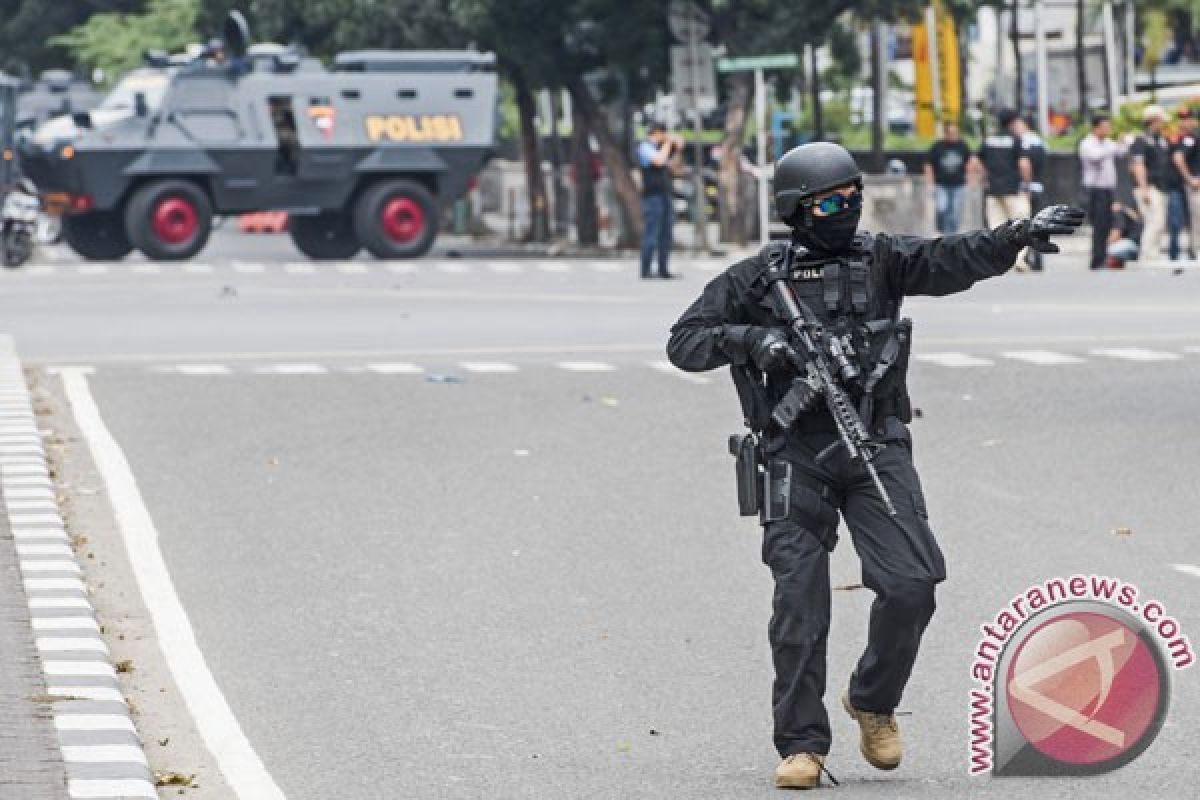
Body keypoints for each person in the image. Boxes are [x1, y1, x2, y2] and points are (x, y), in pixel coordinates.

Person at [666, 141, 1083, 790]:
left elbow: (951, 257)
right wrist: (752, 340)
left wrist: (1015, 235)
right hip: (794, 452)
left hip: (873, 443)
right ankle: (802, 744)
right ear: (795, 211)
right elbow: (684, 342)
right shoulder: (757, 278)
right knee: (799, 600)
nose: (845, 211)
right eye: (829, 202)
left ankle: (873, 700)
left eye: (853, 197)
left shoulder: (883, 259)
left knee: (913, 583)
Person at [979, 110, 1034, 270]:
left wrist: (985, 181)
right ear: (1012, 123)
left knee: (996, 226)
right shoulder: (1016, 140)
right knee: (1021, 225)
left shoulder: (988, 140)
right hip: (1013, 189)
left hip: (993, 190)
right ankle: (1018, 260)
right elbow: (1023, 164)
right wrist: (1027, 184)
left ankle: (997, 260)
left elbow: (979, 163)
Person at [1078, 113, 1124, 269]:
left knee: (1107, 225)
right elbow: (1095, 157)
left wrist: (1122, 143)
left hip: (1108, 189)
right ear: (1096, 128)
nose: (1108, 130)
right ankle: (1097, 259)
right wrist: (1112, 147)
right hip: (1094, 190)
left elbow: (1121, 152)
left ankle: (1103, 257)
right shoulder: (1087, 143)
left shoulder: (1108, 143)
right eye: (1105, 127)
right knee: (1099, 225)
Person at [637, 123, 683, 279]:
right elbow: (658, 161)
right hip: (652, 197)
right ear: (656, 133)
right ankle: (646, 269)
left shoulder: (661, 148)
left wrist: (673, 144)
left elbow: (674, 159)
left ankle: (663, 269)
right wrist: (668, 143)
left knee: (666, 234)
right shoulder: (645, 147)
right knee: (651, 234)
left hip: (665, 195)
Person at [1130, 105, 1171, 261]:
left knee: (1160, 222)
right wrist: (1144, 189)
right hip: (1149, 187)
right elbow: (1138, 166)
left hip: (1161, 187)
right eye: (1160, 121)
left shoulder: (1160, 139)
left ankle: (1154, 253)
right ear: (1153, 121)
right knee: (1154, 221)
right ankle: (1146, 254)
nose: (1162, 124)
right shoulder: (1141, 140)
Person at [923, 122, 977, 234]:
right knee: (942, 208)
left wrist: (970, 179)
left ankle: (950, 236)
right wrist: (930, 183)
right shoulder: (938, 146)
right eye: (951, 133)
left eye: (955, 133)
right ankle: (942, 229)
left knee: (955, 212)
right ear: (946, 134)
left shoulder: (963, 145)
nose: (954, 135)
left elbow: (970, 162)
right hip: (941, 184)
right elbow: (928, 164)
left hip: (958, 184)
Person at [1169, 107, 1199, 260]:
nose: (1184, 122)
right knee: (1193, 218)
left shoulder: (1192, 136)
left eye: (1187, 119)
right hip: (1187, 185)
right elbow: (1178, 158)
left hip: (1185, 185)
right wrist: (1190, 178)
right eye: (1181, 119)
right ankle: (1193, 250)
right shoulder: (1182, 138)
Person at [1105, 201, 1142, 268]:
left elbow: (1116, 234)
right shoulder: (1124, 209)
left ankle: (1115, 261)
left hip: (1129, 245)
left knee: (1106, 250)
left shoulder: (1116, 212)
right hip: (1135, 245)